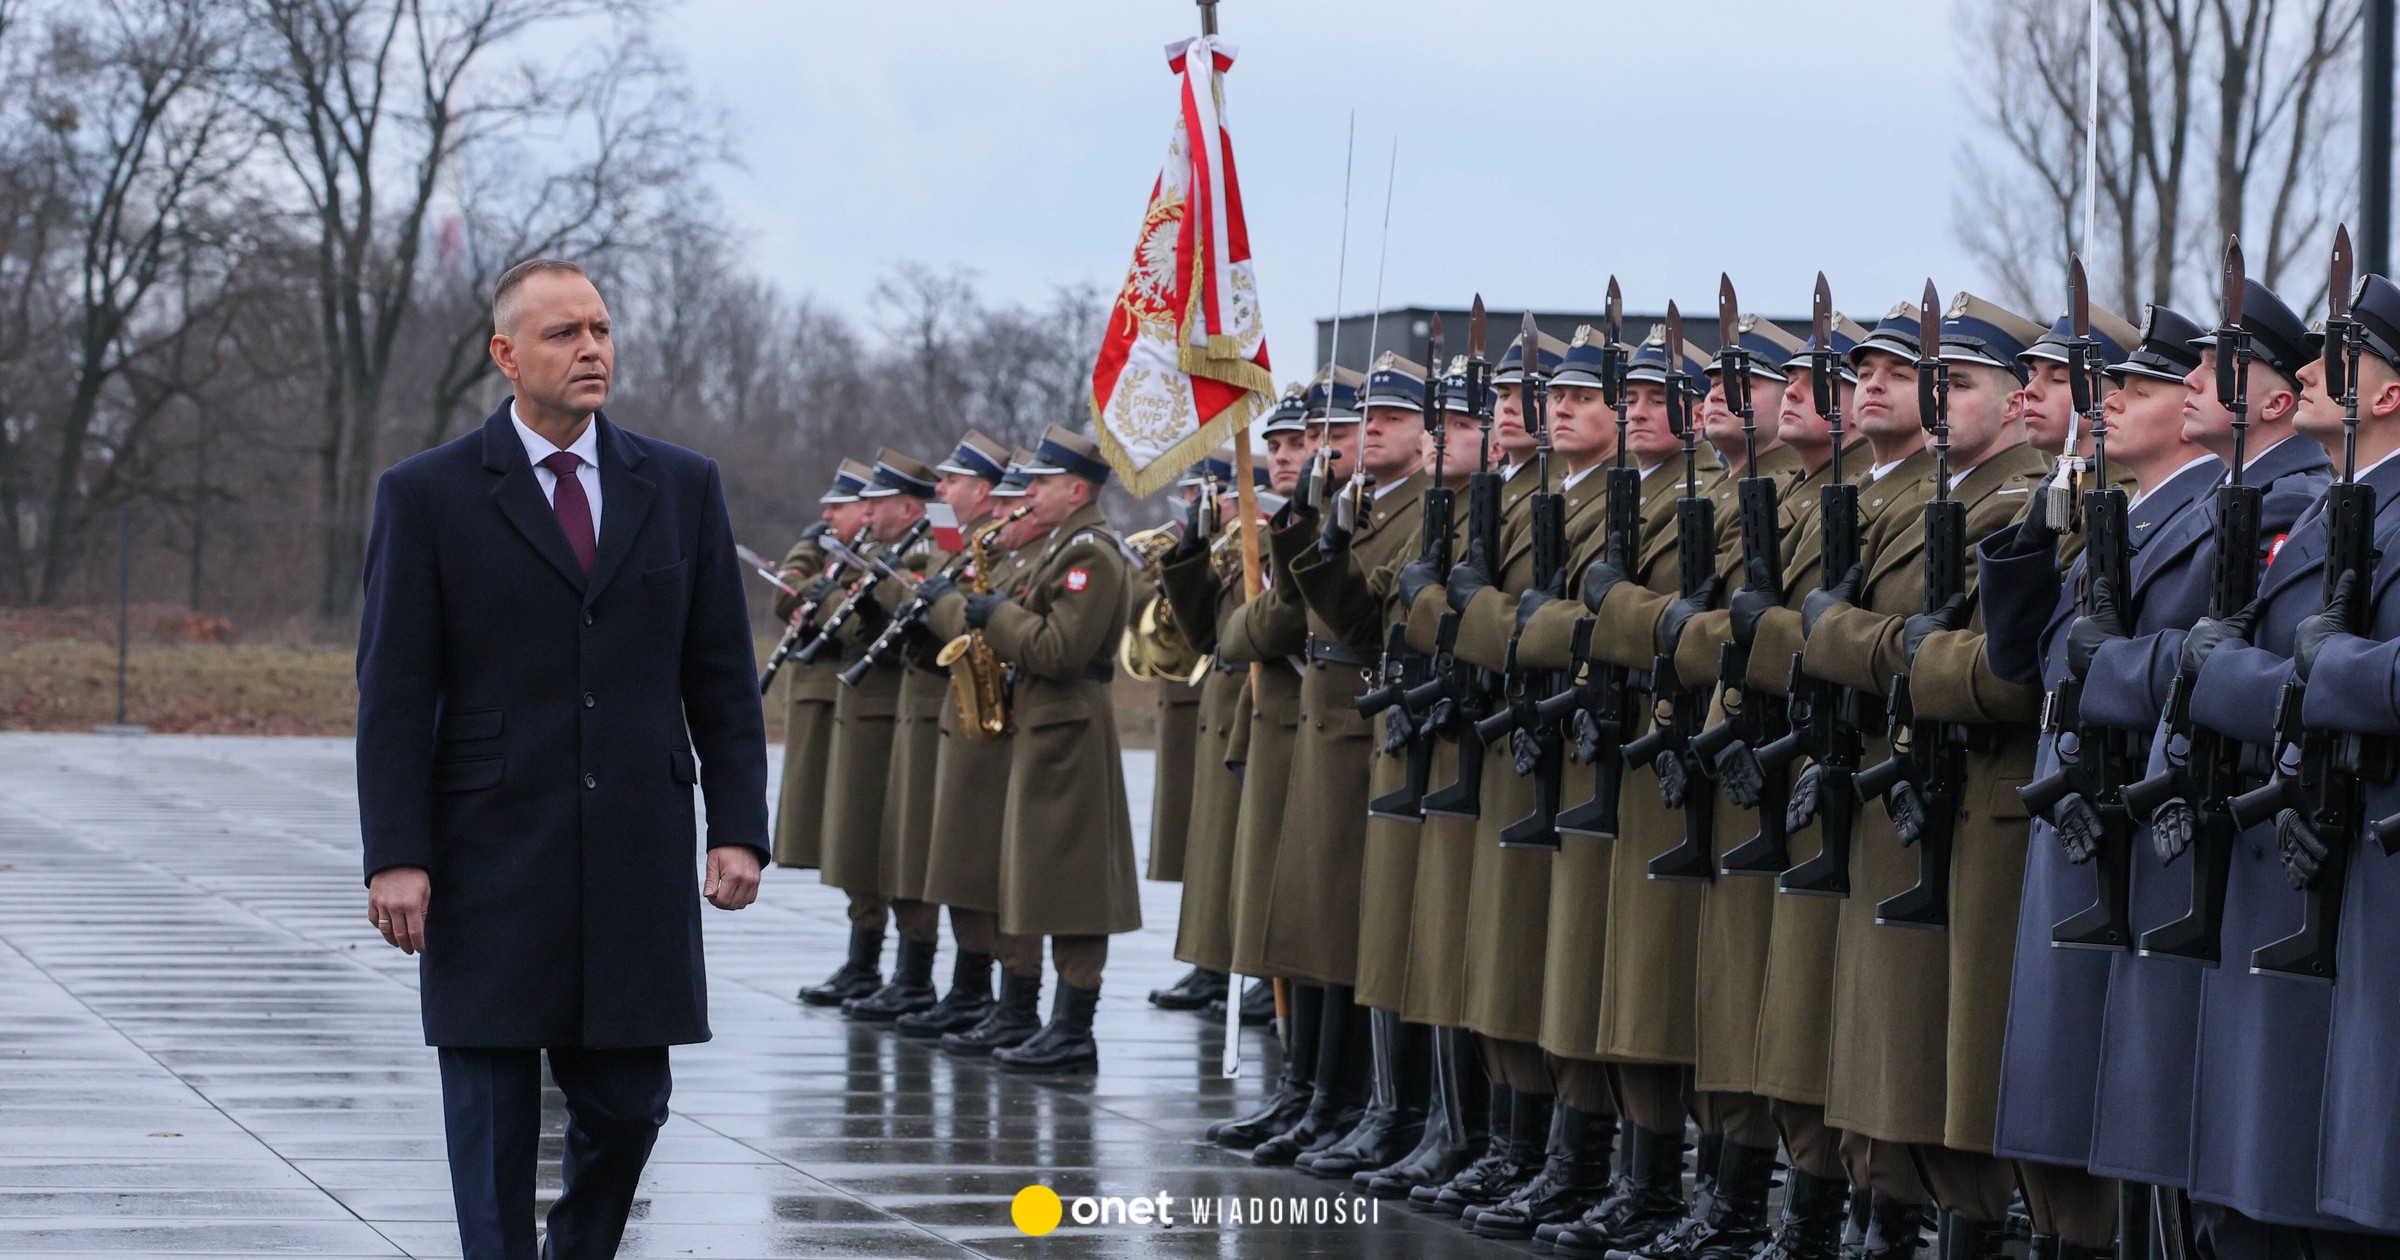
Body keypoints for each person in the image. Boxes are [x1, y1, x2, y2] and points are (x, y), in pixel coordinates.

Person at [356, 256, 767, 1260]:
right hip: (488, 852)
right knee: (492, 1130)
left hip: (633, 847)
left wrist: (740, 831)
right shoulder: (428, 495)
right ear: (505, 355)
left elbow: (719, 675)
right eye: (562, 334)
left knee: (631, 1109)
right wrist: (394, 854)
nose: (591, 349)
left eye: (600, 329)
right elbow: (396, 693)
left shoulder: (678, 485)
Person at [918, 424, 1141, 1074]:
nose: (1028, 495)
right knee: (1034, 876)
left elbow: (1059, 651)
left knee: (1073, 887)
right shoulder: (1067, 545)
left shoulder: (1090, 553)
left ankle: (1074, 1028)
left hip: (1069, 726)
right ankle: (1035, 1016)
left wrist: (993, 616)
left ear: (1076, 490)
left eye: (1041, 484)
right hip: (1043, 724)